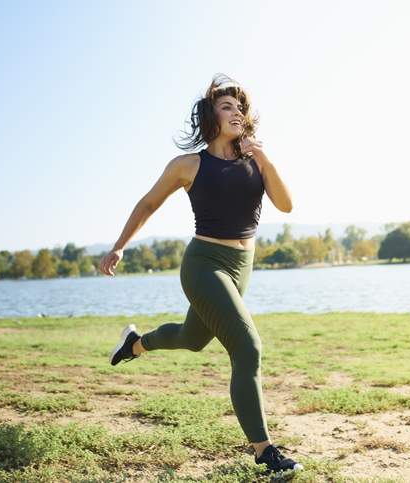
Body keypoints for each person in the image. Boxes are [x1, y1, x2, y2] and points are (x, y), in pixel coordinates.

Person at [99, 73, 302, 476]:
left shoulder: (254, 162)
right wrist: (120, 244)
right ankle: (264, 451)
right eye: (227, 106)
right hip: (204, 264)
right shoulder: (188, 164)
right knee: (247, 348)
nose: (236, 112)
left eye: (239, 107)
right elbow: (148, 203)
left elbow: (286, 205)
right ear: (210, 117)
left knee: (192, 339)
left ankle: (136, 345)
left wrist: (261, 156)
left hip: (241, 268)